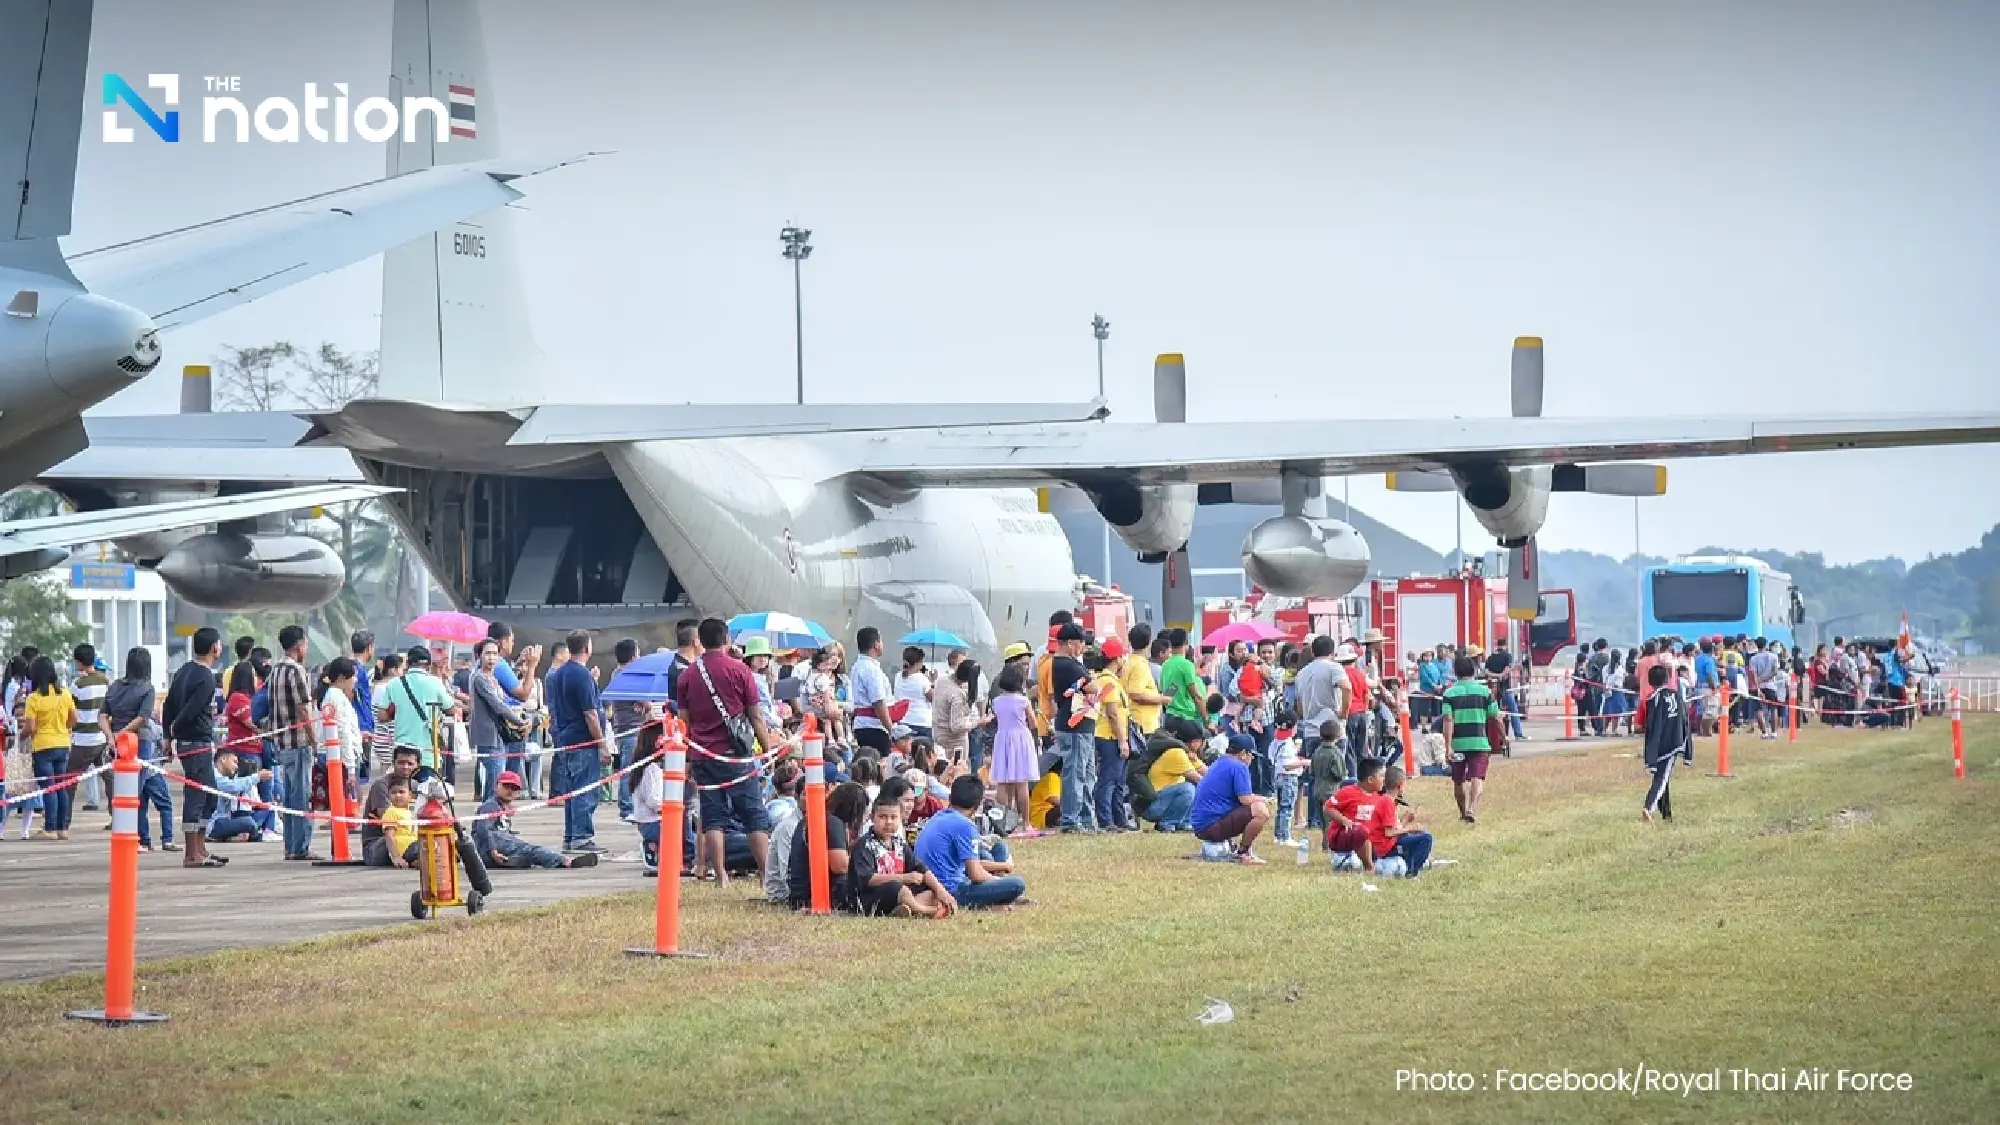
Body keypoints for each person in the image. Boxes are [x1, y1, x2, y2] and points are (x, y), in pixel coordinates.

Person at [677, 617, 780, 888]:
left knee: (713, 816)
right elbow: (756, 717)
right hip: (736, 754)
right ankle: (765, 874)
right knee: (753, 815)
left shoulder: (687, 675)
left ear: (700, 640)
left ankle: (720, 875)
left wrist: (688, 758)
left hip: (702, 755)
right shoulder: (740, 670)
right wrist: (766, 751)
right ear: (726, 640)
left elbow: (683, 721)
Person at [915, 775, 1026, 909]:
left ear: (951, 798)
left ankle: (998, 894)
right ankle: (993, 900)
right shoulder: (965, 825)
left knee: (996, 849)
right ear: (977, 805)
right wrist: (1001, 879)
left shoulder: (939, 816)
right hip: (953, 889)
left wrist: (1000, 868)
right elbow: (975, 874)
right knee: (1017, 884)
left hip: (936, 881)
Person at [165, 628, 226, 867]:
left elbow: (169, 704)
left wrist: (169, 736)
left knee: (209, 794)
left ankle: (201, 849)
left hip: (192, 742)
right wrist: (172, 732)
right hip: (196, 742)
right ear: (214, 648)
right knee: (197, 795)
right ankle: (191, 854)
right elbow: (188, 710)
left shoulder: (183, 671)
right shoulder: (206, 677)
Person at [105, 647, 173, 851]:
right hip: (138, 743)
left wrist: (112, 736)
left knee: (128, 791)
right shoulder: (147, 688)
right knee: (134, 793)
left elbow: (102, 715)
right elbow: (143, 718)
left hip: (118, 744)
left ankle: (138, 838)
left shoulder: (115, 686)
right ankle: (135, 838)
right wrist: (123, 734)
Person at [849, 793, 954, 917]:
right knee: (897, 887)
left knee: (928, 888)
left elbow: (921, 868)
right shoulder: (865, 844)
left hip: (899, 895)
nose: (888, 822)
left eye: (893, 817)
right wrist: (903, 878)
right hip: (869, 897)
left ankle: (905, 909)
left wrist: (941, 890)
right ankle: (924, 911)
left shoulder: (899, 843)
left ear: (901, 819)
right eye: (883, 817)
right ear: (872, 818)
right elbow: (867, 879)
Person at [265, 624, 320, 861]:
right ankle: (300, 847)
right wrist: (314, 739)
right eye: (305, 644)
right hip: (298, 742)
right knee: (301, 796)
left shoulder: (275, 670)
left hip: (281, 742)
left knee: (288, 797)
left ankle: (290, 846)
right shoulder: (296, 671)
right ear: (299, 646)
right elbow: (303, 709)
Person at [475, 771, 599, 869]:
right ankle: (565, 861)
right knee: (530, 849)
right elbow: (484, 830)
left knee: (526, 853)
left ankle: (516, 861)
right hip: (489, 846)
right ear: (496, 786)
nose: (509, 791)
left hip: (494, 848)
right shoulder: (490, 806)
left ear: (518, 792)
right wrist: (493, 851)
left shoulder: (503, 807)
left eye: (514, 788)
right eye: (506, 786)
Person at [1189, 732, 1270, 865]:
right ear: (1243, 753)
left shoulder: (1219, 762)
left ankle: (1233, 847)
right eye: (1251, 755)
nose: (1252, 759)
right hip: (1211, 826)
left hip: (1201, 825)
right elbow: (1245, 799)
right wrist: (1263, 799)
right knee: (1261, 810)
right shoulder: (1239, 766)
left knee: (1255, 806)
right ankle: (1244, 853)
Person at [1441, 654, 1504, 825]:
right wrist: (1503, 738)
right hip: (1479, 742)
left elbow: (1448, 720)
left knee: (1458, 780)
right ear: (1474, 670)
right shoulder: (1485, 692)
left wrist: (1448, 747)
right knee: (1477, 778)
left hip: (1458, 743)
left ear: (1455, 672)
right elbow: (1496, 718)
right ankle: (1472, 808)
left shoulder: (1449, 693)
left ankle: (1462, 813)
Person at [787, 781, 868, 911]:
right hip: (816, 896)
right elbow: (840, 866)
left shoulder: (812, 819)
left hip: (800, 894)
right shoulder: (833, 822)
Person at [21, 654, 77, 840]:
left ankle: (50, 828)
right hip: (62, 743)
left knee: (49, 787)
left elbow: (30, 727)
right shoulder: (65, 694)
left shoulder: (34, 699)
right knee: (61, 787)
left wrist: (20, 737)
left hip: (43, 747)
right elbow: (73, 720)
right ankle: (62, 828)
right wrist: (61, 727)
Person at [467, 639, 526, 801]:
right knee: (495, 777)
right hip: (487, 734)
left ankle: (490, 815)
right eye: (487, 653)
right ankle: (488, 815)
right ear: (479, 656)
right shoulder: (480, 678)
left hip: (498, 734)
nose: (491, 658)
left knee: (495, 778)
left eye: (495, 654)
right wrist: (520, 722)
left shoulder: (492, 678)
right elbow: (498, 705)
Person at [986, 663, 1038, 834]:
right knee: (1021, 783)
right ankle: (1026, 823)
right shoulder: (1023, 701)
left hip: (1002, 739)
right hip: (1021, 739)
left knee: (1003, 782)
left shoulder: (997, 701)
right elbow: (1033, 722)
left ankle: (1002, 823)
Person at [1088, 643, 1133, 831]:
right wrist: (1122, 741)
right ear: (1116, 659)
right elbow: (1113, 714)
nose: (1125, 660)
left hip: (1108, 734)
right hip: (1110, 736)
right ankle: (1106, 820)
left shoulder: (1105, 679)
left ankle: (1118, 819)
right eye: (1123, 656)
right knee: (1109, 779)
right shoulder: (1109, 682)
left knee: (1117, 780)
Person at [1639, 663, 1693, 823]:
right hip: (1672, 741)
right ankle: (1649, 807)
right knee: (1662, 778)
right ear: (1668, 679)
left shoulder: (1652, 698)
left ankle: (1666, 813)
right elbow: (1685, 720)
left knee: (1663, 776)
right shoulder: (1676, 695)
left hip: (1661, 742)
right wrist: (1687, 746)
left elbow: (1650, 725)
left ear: (1650, 681)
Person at [388, 646, 456, 771]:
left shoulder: (394, 684)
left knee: (403, 788)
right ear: (429, 665)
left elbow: (382, 716)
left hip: (402, 753)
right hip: (428, 754)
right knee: (427, 788)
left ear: (408, 664)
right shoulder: (435, 682)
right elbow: (451, 710)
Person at [66, 644, 110, 826]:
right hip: (103, 738)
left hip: (83, 739)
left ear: (78, 662)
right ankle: (118, 818)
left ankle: (63, 822)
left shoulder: (77, 684)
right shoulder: (106, 682)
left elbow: (70, 710)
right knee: (110, 779)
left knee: (68, 782)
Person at [1143, 716, 1206, 831]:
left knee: (1192, 788)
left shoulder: (1187, 753)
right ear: (1194, 742)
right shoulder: (1176, 753)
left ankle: (1184, 822)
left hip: (1163, 800)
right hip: (1152, 806)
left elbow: (1208, 772)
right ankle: (1167, 823)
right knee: (1188, 788)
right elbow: (1200, 779)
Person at [204, 747, 271, 842]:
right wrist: (257, 777)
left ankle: (256, 833)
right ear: (223, 759)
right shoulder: (214, 776)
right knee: (248, 822)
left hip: (224, 819)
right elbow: (233, 786)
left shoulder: (222, 777)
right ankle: (257, 835)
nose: (236, 767)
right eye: (234, 762)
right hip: (214, 824)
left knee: (268, 809)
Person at [848, 627, 894, 754]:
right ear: (876, 645)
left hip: (861, 725)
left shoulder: (856, 667)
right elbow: (878, 702)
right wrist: (891, 729)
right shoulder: (871, 670)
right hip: (874, 726)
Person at [1159, 628, 1205, 726]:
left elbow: (1167, 693)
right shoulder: (1187, 665)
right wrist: (1207, 720)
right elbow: (1196, 696)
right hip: (1185, 717)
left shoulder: (1165, 665)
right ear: (1186, 644)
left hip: (1169, 716)